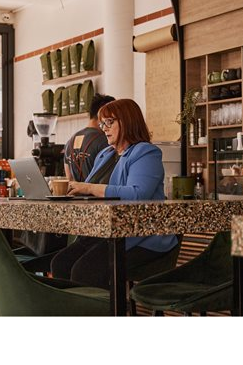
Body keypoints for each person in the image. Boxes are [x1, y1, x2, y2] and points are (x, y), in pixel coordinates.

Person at [51, 98, 178, 288]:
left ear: (127, 121)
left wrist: (89, 188)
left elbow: (137, 194)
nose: (104, 128)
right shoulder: (105, 154)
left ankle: (99, 306)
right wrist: (71, 191)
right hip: (106, 232)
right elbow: (89, 190)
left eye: (109, 122)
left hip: (140, 236)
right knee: (60, 264)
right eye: (102, 123)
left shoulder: (146, 153)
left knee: (84, 271)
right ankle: (73, 306)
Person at [64, 93, 115, 181]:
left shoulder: (69, 142)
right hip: (98, 190)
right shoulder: (105, 140)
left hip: (75, 190)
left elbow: (69, 178)